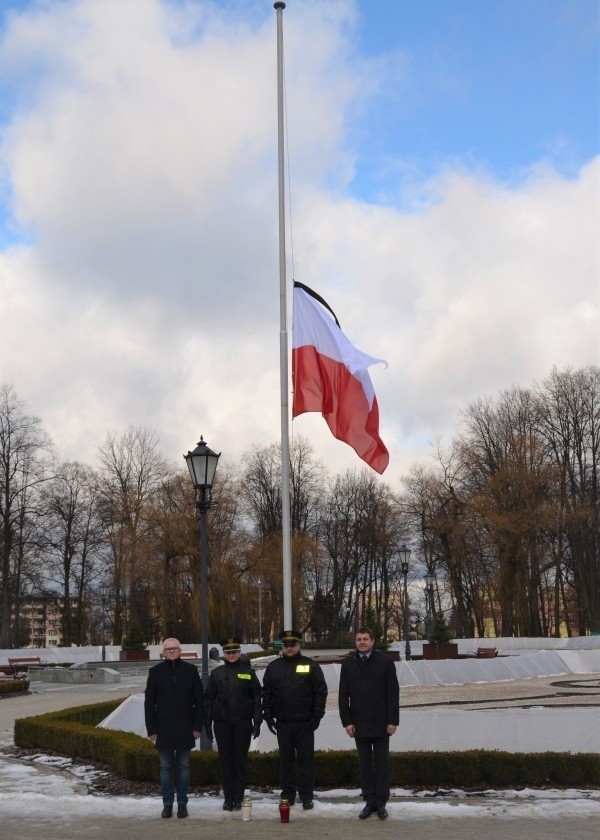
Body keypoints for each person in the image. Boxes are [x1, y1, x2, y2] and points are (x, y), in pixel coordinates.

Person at [338, 627, 400, 820]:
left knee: (382, 765)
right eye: (359, 639)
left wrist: (392, 721)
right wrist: (347, 722)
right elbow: (343, 696)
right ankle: (369, 801)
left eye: (365, 639)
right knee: (365, 765)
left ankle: (381, 803)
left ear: (373, 641)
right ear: (355, 642)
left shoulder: (385, 662)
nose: (362, 642)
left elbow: (393, 693)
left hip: (382, 724)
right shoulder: (348, 664)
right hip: (359, 724)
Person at [262, 629, 328, 810]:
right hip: (283, 723)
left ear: (299, 645)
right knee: (285, 762)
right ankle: (287, 794)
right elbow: (266, 694)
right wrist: (268, 717)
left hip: (304, 723)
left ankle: (306, 796)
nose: (289, 648)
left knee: (306, 761)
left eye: (293, 644)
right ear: (282, 646)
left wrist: (316, 717)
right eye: (286, 645)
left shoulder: (310, 665)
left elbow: (320, 693)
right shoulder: (273, 667)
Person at [144, 638, 204, 819]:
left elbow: (199, 702)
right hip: (163, 728)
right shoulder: (155, 672)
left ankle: (183, 804)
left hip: (186, 727)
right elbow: (149, 703)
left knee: (184, 767)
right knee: (165, 768)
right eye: (168, 649)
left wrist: (197, 726)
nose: (171, 651)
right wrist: (151, 729)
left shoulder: (191, 671)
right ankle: (167, 804)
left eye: (175, 648)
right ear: (163, 652)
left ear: (180, 650)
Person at [204, 636, 262, 811]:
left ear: (239, 652)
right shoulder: (216, 674)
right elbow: (208, 700)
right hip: (222, 724)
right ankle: (228, 798)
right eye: (228, 652)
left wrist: (257, 722)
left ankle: (238, 797)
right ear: (223, 654)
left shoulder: (249, 673)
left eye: (234, 652)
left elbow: (257, 698)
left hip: (242, 723)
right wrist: (207, 724)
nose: (231, 655)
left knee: (240, 761)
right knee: (226, 761)